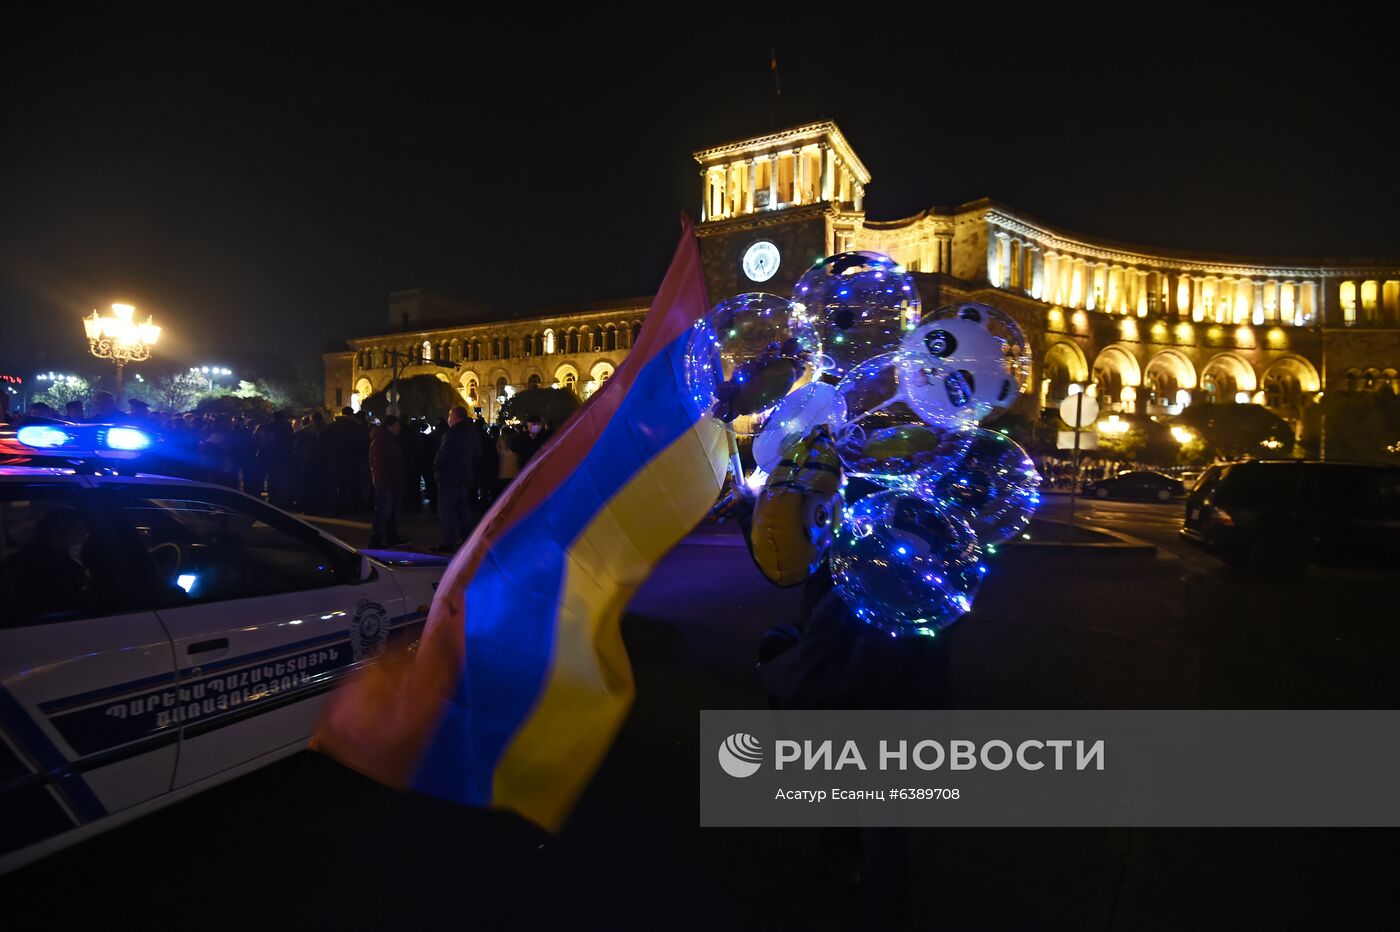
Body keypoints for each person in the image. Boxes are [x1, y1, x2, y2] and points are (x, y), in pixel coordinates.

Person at [433, 405, 482, 552]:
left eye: (450, 416)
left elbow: (443, 455)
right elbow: (478, 455)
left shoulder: (452, 433)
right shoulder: (472, 433)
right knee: (463, 510)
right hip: (465, 477)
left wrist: (436, 468)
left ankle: (449, 542)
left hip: (449, 477)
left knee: (447, 511)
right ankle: (466, 539)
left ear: (455, 417)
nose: (448, 419)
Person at [369, 415, 406, 548]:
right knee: (383, 514)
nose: (399, 428)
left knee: (390, 514)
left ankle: (391, 537)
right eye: (397, 425)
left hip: (391, 483)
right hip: (386, 484)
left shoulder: (388, 440)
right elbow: (380, 465)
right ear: (389, 426)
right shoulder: (382, 441)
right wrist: (384, 483)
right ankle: (376, 541)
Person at [496, 427, 522, 497]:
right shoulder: (516, 442)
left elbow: (497, 453)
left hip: (502, 472)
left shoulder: (500, 441)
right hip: (514, 473)